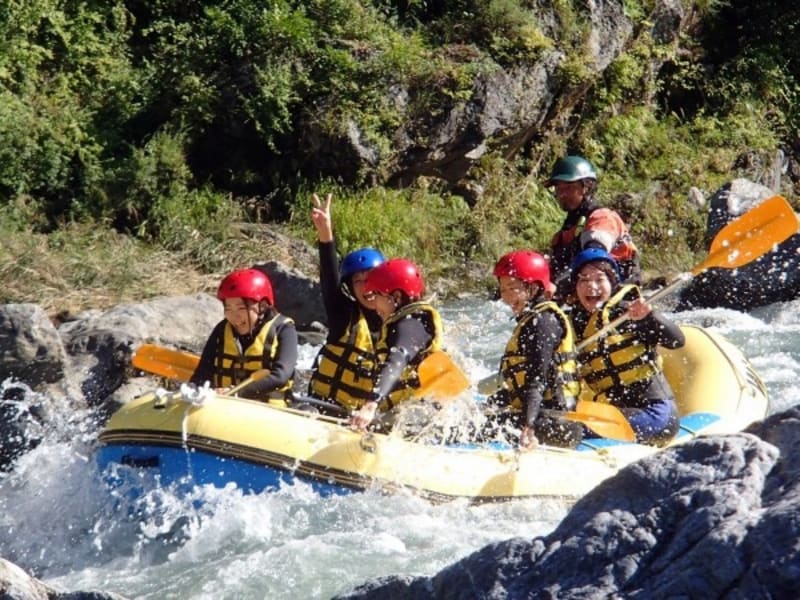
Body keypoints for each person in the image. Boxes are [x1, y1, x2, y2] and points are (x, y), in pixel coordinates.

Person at [569, 248, 682, 445]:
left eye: (599, 279)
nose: (591, 286)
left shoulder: (630, 313)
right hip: (615, 413)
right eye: (584, 280)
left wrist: (649, 318)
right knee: (558, 422)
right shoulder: (574, 326)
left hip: (656, 415)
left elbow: (677, 340)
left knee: (569, 429)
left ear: (612, 283)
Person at [482, 250, 584, 450]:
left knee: (473, 428)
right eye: (503, 289)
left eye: (513, 288)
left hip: (556, 424)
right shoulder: (532, 319)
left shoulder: (544, 322)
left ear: (534, 288)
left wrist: (528, 427)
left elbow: (537, 381)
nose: (506, 296)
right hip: (542, 415)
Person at [307, 192, 385, 413]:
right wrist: (325, 233)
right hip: (322, 408)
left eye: (369, 279)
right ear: (350, 288)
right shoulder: (344, 315)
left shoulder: (399, 326)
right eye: (357, 281)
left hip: (361, 419)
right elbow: (329, 278)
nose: (364, 287)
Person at [349, 258, 444, 432]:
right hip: (407, 412)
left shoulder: (411, 324)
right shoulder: (403, 323)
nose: (374, 304)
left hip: (422, 416)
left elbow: (397, 360)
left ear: (397, 297)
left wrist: (371, 405)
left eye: (375, 295)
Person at [189, 268, 297, 401]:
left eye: (241, 308)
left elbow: (281, 376)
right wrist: (193, 391)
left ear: (262, 306)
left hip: (269, 410)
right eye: (228, 308)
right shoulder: (222, 329)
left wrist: (236, 392)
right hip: (225, 407)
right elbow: (203, 372)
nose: (235, 317)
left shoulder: (284, 329)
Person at [545, 155, 641, 298]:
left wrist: (557, 287)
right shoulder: (568, 229)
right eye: (559, 188)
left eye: (570, 187)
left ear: (587, 187)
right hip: (585, 299)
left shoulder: (602, 218)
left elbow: (594, 259)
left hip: (615, 299)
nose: (563, 194)